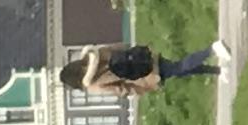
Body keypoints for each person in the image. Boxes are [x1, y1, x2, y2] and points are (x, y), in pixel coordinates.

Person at [66, 40, 227, 87]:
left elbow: (121, 88)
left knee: (180, 67)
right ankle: (217, 70)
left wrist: (142, 87)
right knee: (179, 70)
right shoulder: (95, 52)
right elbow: (120, 47)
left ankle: (212, 50)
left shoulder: (95, 82)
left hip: (144, 72)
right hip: (142, 57)